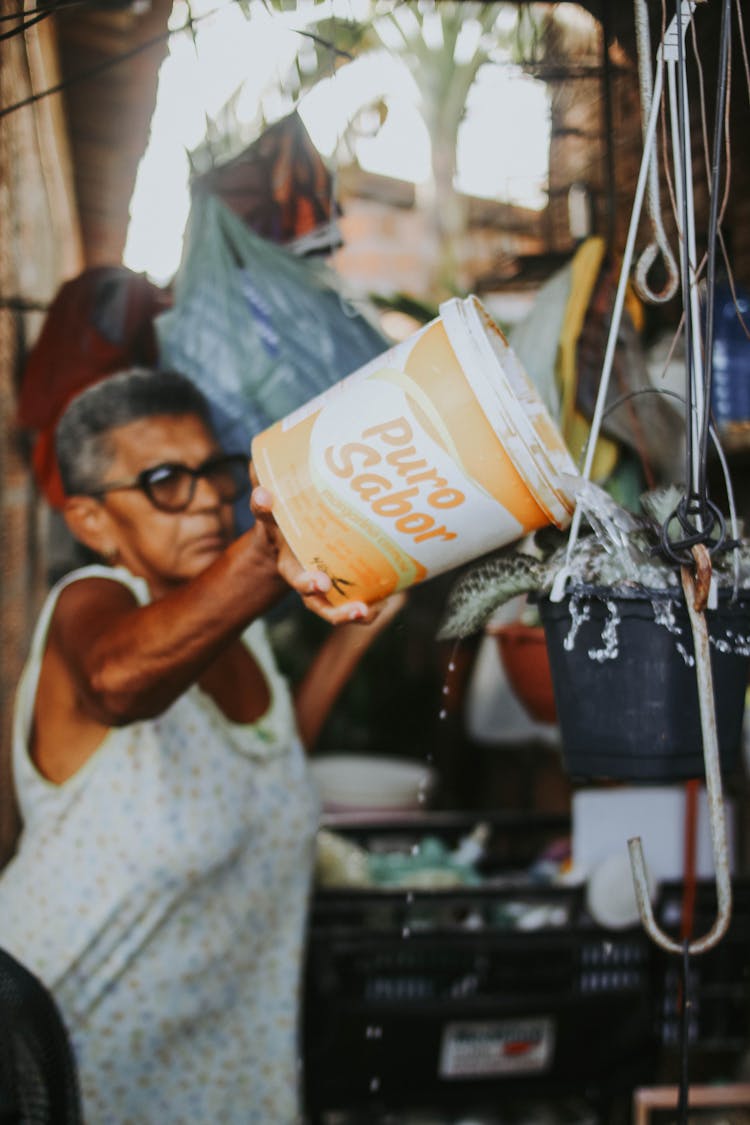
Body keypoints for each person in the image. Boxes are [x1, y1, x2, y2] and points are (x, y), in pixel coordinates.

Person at [0, 367, 403, 1124]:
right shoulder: (91, 604)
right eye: (164, 482)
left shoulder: (232, 632)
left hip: (210, 1070)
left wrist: (354, 642)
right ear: (92, 521)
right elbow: (118, 680)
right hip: (60, 1059)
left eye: (215, 471)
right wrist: (264, 556)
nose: (211, 500)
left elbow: (265, 762)